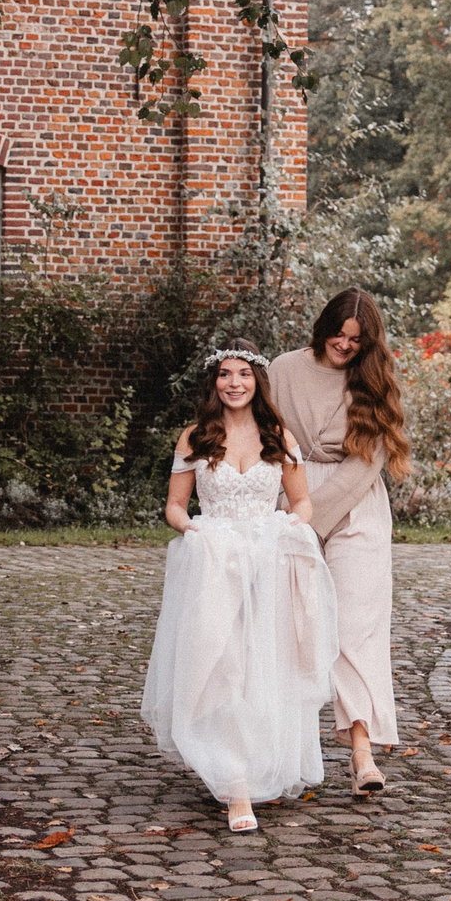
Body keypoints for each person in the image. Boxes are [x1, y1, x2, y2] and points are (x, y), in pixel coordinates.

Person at [140, 340, 341, 833]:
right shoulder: (195, 437)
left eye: (244, 375)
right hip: (216, 559)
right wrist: (192, 529)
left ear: (257, 382)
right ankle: (233, 783)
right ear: (214, 382)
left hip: (269, 558)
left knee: (264, 665)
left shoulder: (278, 435)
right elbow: (174, 506)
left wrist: (294, 525)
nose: (234, 383)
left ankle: (254, 766)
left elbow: (302, 502)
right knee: (220, 661)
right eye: (225, 375)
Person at [270, 290, 409, 795]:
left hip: (356, 509)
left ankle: (362, 752)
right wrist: (290, 512)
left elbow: (368, 461)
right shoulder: (283, 369)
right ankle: (281, 746)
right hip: (291, 500)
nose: (346, 346)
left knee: (356, 629)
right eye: (339, 334)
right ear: (322, 325)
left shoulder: (372, 381)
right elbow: (266, 438)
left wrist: (315, 520)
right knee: (291, 628)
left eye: (357, 340)